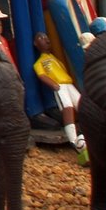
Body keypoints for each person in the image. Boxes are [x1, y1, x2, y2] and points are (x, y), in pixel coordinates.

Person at [33, 32, 88, 160]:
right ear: (35, 43)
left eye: (47, 38)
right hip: (60, 86)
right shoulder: (40, 62)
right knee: (67, 108)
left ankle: (89, 132)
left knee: (82, 105)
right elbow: (42, 75)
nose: (46, 40)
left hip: (68, 84)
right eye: (41, 38)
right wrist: (54, 85)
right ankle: (73, 140)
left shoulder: (55, 58)